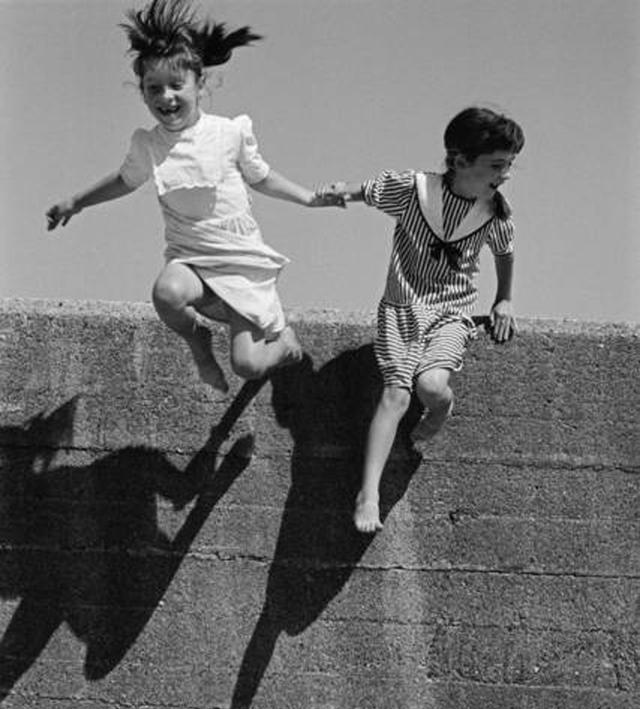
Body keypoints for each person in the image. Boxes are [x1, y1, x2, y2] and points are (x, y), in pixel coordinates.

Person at [46, 0, 342, 394]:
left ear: (200, 85)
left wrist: (308, 198)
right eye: (154, 89)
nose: (165, 97)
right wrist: (76, 201)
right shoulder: (147, 145)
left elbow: (262, 177)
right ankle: (199, 346)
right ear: (142, 92)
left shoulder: (228, 133)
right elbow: (123, 181)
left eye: (176, 86)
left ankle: (284, 346)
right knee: (166, 292)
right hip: (192, 260)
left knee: (248, 365)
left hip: (239, 261)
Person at [319, 106, 525, 533]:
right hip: (401, 307)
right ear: (460, 160)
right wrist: (337, 191)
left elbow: (504, 254)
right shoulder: (415, 192)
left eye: (509, 165)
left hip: (451, 311)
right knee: (395, 395)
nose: (505, 174)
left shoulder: (494, 212)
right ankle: (368, 494)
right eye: (497, 165)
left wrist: (503, 299)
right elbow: (368, 190)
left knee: (431, 386)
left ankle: (440, 410)